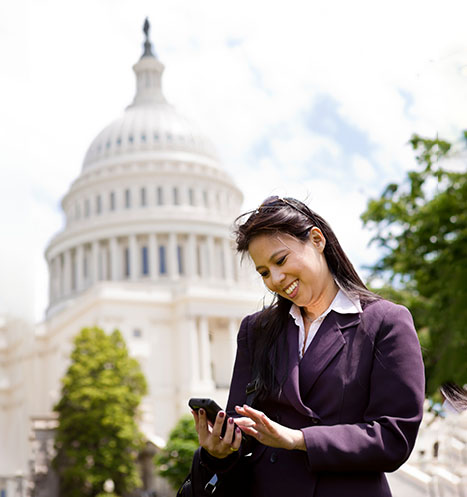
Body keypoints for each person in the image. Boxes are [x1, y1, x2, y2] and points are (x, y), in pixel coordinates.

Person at [191, 196, 425, 497]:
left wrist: (300, 439)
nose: (275, 279)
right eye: (263, 272)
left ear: (316, 240)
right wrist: (219, 449)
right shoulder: (256, 330)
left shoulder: (385, 322)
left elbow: (394, 439)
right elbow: (244, 430)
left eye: (281, 260)